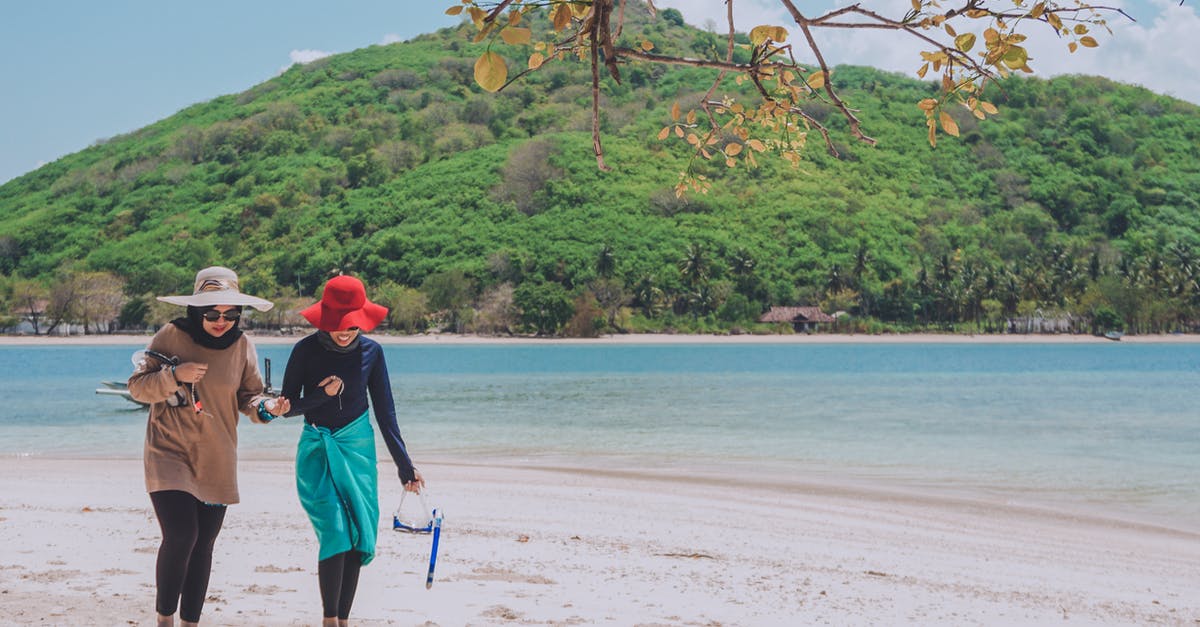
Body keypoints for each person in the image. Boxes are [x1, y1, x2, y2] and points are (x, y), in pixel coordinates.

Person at [128, 266, 288, 627]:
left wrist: (268, 408)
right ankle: (164, 620)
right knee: (183, 534)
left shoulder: (242, 345)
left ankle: (190, 623)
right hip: (168, 452)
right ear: (196, 311)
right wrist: (173, 375)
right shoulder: (171, 336)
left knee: (203, 546)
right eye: (212, 314)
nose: (221, 321)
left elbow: (250, 398)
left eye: (230, 314)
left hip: (217, 457)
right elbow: (138, 387)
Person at [274, 274, 425, 627]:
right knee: (336, 532)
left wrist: (406, 467)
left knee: (358, 536)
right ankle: (329, 620)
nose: (344, 332)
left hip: (358, 449)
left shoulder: (373, 352)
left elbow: (386, 413)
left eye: (351, 326)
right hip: (317, 449)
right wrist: (321, 397)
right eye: (337, 326)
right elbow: (288, 407)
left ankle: (343, 620)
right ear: (324, 320)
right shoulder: (305, 351)